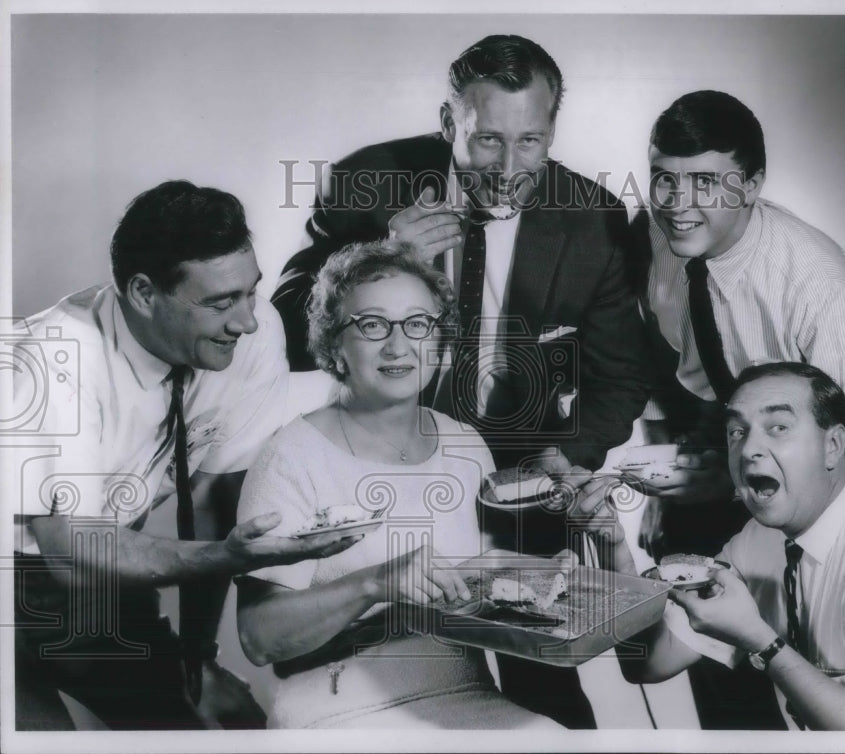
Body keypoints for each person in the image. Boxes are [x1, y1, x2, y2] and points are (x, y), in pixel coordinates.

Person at [270, 34, 649, 728]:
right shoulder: (368, 182)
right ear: (450, 125)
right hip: (387, 466)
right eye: (487, 141)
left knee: (550, 694)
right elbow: (286, 332)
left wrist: (571, 457)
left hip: (522, 473)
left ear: (553, 131)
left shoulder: (591, 218)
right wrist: (383, 257)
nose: (508, 169)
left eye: (530, 142)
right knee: (376, 667)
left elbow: (620, 378)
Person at [12, 181, 360, 730]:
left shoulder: (252, 331)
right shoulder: (52, 358)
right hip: (48, 562)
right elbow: (68, 550)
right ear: (144, 294)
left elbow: (216, 503)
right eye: (220, 302)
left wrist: (196, 661)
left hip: (96, 574)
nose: (246, 321)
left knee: (192, 731)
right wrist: (225, 558)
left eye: (250, 291)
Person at [628, 91, 845, 729]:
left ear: (752, 184)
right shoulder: (660, 231)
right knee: (696, 635)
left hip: (827, 470)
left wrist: (751, 507)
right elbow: (684, 368)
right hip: (733, 439)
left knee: (801, 667)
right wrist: (676, 481)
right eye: (664, 179)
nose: (677, 204)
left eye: (705, 183)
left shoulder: (814, 281)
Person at [235, 241, 564, 730]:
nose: (398, 345)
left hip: (464, 690)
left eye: (417, 324)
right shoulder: (290, 457)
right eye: (372, 325)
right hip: (336, 707)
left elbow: (481, 581)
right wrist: (373, 584)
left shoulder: (465, 445)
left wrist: (548, 578)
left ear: (440, 340)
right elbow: (258, 638)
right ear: (333, 345)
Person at [570, 362, 845, 731]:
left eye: (777, 427)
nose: (749, 449)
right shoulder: (761, 539)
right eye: (737, 432)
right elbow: (650, 663)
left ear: (833, 444)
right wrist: (612, 549)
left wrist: (761, 641)